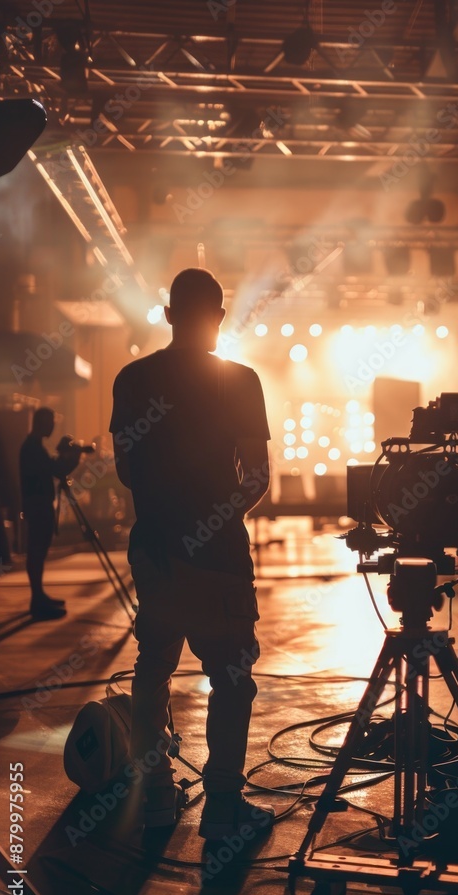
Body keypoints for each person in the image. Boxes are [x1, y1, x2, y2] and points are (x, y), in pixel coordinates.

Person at [109, 268, 274, 838]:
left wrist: (167, 514)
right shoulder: (242, 381)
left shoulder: (131, 380)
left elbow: (127, 470)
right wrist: (220, 519)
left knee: (153, 669)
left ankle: (154, 795)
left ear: (169, 314)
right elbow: (257, 477)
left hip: (154, 553)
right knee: (230, 678)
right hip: (219, 558)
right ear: (220, 318)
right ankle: (223, 808)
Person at [19, 407, 79, 619]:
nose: (53, 426)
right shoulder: (32, 448)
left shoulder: (34, 447)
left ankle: (39, 596)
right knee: (36, 550)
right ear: (41, 423)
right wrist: (72, 459)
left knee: (39, 550)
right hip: (37, 505)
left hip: (38, 504)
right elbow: (55, 469)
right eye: (50, 422)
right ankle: (37, 599)